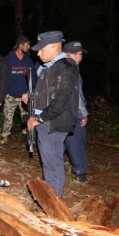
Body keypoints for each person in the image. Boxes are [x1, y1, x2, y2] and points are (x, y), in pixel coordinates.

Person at [23, 31, 79, 196]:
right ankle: (51, 200)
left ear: (54, 47)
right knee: (48, 163)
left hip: (53, 122)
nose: (38, 53)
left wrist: (39, 118)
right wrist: (32, 97)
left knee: (52, 163)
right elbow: (49, 94)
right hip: (46, 122)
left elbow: (61, 100)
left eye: (41, 49)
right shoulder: (50, 67)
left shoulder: (66, 66)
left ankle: (54, 204)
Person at [0, 35, 36, 145]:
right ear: (21, 45)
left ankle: (29, 137)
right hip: (10, 95)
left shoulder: (28, 60)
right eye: (27, 44)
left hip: (25, 95)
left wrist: (31, 91)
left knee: (28, 117)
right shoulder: (8, 59)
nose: (29, 47)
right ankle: (5, 136)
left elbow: (33, 76)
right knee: (8, 117)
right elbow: (2, 77)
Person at [63, 41, 89, 183]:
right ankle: (80, 173)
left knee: (59, 142)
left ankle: (53, 170)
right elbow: (77, 95)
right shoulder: (71, 69)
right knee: (77, 141)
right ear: (66, 54)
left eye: (80, 54)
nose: (79, 57)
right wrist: (83, 114)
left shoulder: (57, 66)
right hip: (72, 114)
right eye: (75, 54)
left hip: (58, 115)